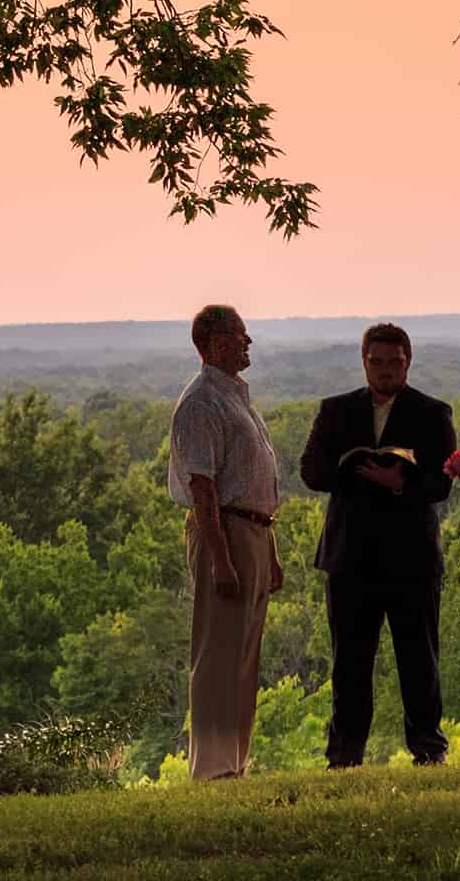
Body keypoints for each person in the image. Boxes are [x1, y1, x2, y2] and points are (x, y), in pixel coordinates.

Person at [296, 321, 457, 768]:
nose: (385, 370)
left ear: (409, 361)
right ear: (364, 361)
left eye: (394, 362)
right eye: (377, 362)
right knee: (349, 663)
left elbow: (442, 484)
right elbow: (311, 472)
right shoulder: (335, 411)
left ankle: (429, 749)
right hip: (351, 556)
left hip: (412, 559)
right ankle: (345, 756)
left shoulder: (432, 412)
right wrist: (353, 470)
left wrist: (398, 481)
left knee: (419, 660)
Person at [165, 303, 283, 779]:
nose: (248, 341)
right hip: (225, 534)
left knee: (244, 656)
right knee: (217, 656)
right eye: (240, 334)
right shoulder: (201, 403)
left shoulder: (236, 396)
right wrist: (221, 560)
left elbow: (253, 481)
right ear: (214, 342)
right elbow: (203, 488)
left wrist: (269, 554)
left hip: (252, 532)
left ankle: (235, 763)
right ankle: (212, 770)